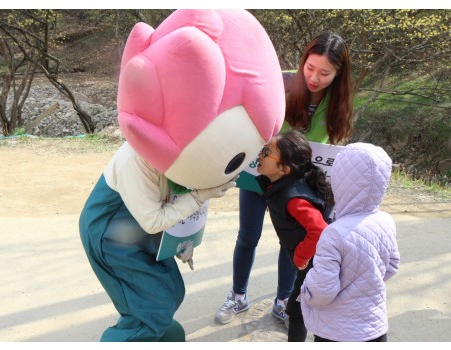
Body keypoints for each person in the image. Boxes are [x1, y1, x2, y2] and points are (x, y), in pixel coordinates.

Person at [215, 32, 353, 325]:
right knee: (247, 236)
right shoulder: (281, 82)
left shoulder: (337, 101)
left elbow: (331, 147)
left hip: (295, 186)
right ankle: (237, 296)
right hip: (260, 173)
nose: (314, 78)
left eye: (325, 73)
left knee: (291, 241)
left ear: (338, 74)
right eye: (310, 68)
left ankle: (283, 301)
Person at [79, 141, 236, 341]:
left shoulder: (183, 151)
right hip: (112, 232)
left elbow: (174, 197)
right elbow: (153, 221)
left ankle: (148, 330)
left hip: (143, 227)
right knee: (151, 309)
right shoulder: (136, 159)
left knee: (172, 290)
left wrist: (183, 239)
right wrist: (198, 198)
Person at [300, 142, 400, 342]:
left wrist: (306, 289)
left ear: (339, 180)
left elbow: (322, 292)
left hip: (336, 332)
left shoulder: (333, 233)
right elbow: (392, 266)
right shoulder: (386, 221)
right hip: (375, 327)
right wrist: (367, 280)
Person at [255, 130, 334, 341]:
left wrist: (300, 257)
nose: (259, 154)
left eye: (265, 152)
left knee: (300, 310)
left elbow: (319, 230)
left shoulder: (294, 198)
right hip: (314, 262)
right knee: (300, 308)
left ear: (284, 168)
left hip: (319, 263)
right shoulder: (283, 183)